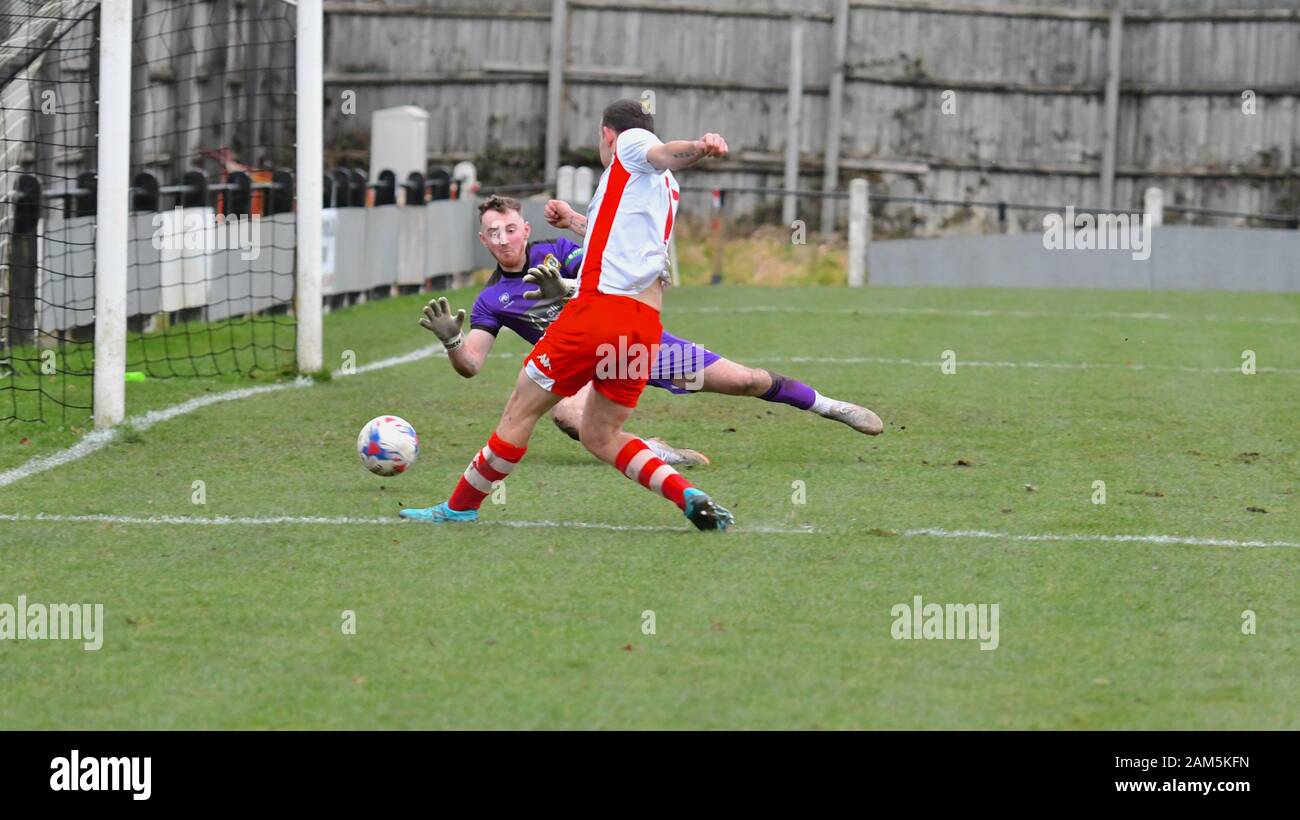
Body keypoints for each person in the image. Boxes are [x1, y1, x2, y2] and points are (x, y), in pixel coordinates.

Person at [400, 99, 735, 530]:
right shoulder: (662, 189)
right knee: (601, 435)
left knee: (520, 411)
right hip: (643, 328)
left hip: (599, 313)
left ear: (605, 133)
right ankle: (686, 494)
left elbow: (663, 151)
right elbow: (614, 235)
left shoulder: (630, 144)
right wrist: (576, 219)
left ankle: (460, 507)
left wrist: (699, 146)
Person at [417, 195, 884, 466]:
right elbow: (471, 365)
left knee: (746, 381)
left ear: (524, 230)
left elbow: (616, 268)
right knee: (565, 415)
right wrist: (452, 340)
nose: (502, 240)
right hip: (575, 364)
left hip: (631, 345)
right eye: (493, 233)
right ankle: (653, 452)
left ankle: (830, 406)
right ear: (483, 241)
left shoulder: (558, 249)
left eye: (510, 229)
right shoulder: (489, 300)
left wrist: (571, 276)